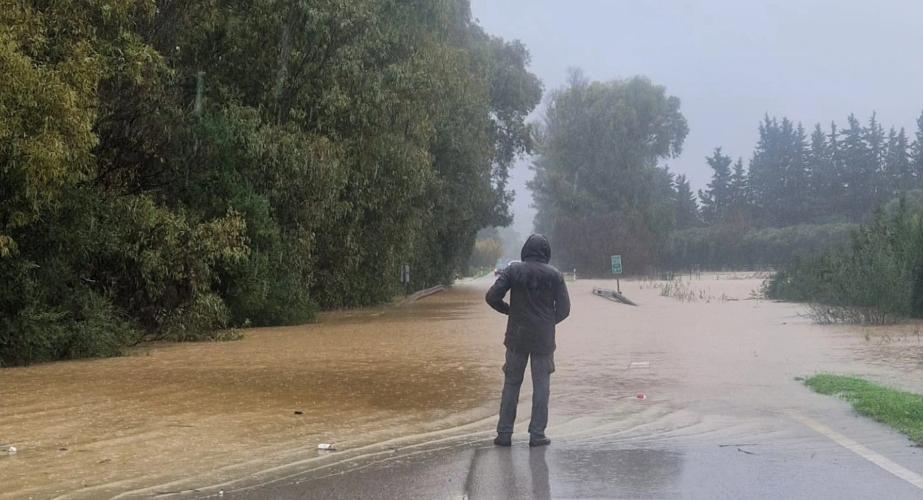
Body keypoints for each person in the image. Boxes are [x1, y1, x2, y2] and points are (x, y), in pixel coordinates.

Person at [485, 234, 570, 447]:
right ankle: (537, 435)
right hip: (543, 339)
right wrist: (547, 322)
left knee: (511, 384)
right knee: (542, 386)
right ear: (546, 253)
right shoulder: (556, 275)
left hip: (517, 335)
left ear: (525, 251)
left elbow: (491, 297)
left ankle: (504, 434)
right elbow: (565, 310)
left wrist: (511, 312)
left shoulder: (513, 270)